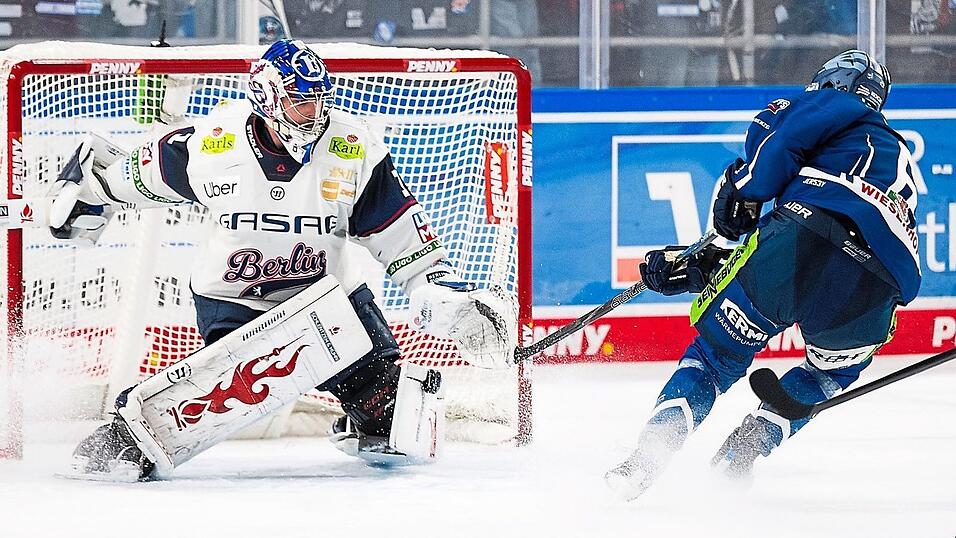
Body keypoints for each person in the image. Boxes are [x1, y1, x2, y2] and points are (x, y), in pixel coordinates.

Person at [52, 39, 515, 481]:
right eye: (299, 102)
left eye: (318, 102)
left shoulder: (352, 147)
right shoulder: (213, 142)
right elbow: (135, 177)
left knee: (396, 413)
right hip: (234, 302)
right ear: (268, 98)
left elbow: (396, 229)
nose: (312, 115)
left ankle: (369, 414)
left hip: (328, 298)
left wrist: (433, 287)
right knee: (217, 391)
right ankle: (129, 434)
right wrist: (89, 193)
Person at [605, 49, 919, 500]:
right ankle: (746, 450)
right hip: (877, 287)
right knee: (830, 375)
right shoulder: (893, 153)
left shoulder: (835, 106)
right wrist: (707, 260)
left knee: (714, 360)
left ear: (833, 83)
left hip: (804, 236)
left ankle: (646, 460)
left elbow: (767, 148)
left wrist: (733, 210)